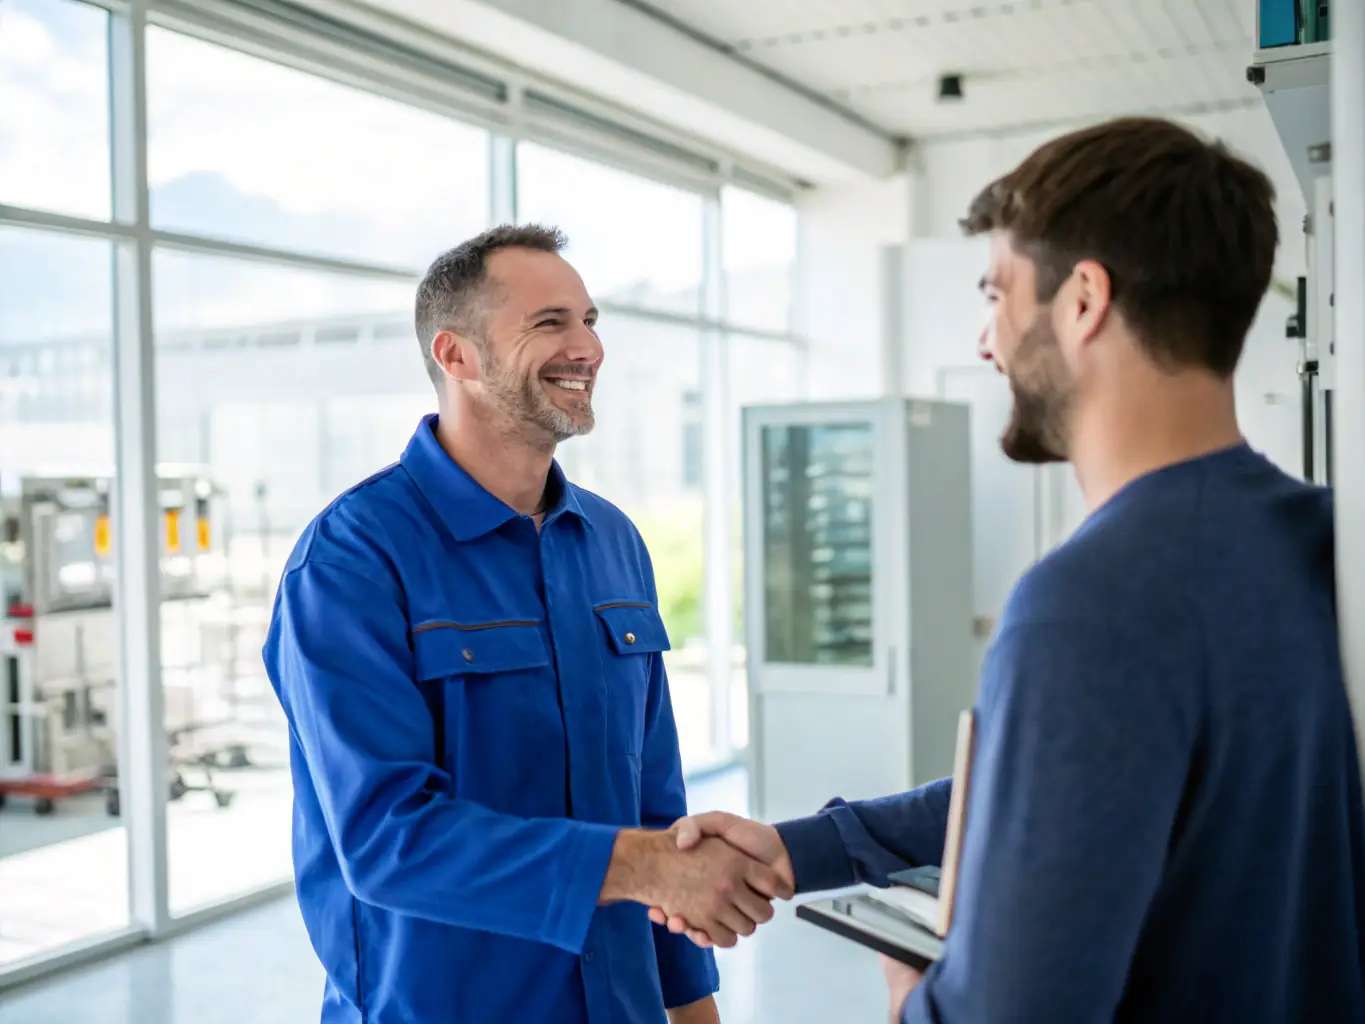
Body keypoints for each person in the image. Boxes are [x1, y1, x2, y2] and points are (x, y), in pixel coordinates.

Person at [651, 116, 1365, 1022]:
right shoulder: (1323, 542)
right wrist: (804, 849)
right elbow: (1071, 777)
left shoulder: (1089, 602)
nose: (987, 342)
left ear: (1080, 301)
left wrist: (917, 999)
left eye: (997, 295)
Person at [262, 224, 791, 1024]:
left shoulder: (610, 541)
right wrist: (636, 865)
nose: (587, 348)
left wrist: (691, 1006)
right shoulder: (352, 562)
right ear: (456, 354)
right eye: (550, 324)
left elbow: (656, 805)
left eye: (590, 320)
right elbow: (385, 840)